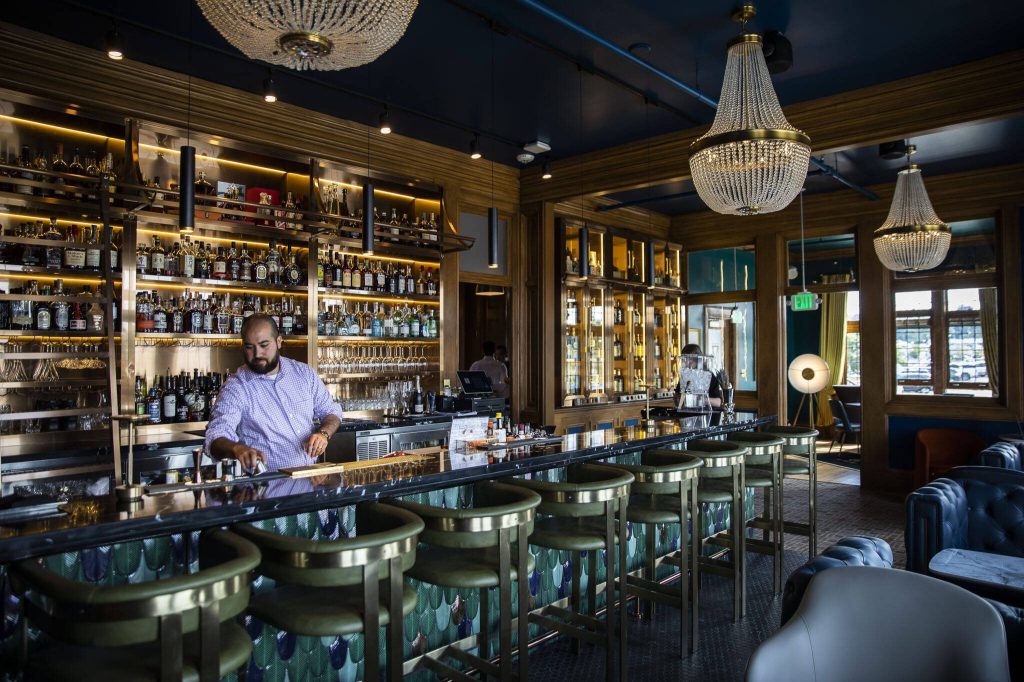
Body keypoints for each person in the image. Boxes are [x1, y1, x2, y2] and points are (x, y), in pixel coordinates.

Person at [205, 314, 342, 472]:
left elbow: (331, 411)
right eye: (249, 347)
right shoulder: (236, 387)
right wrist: (237, 449)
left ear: (279, 342)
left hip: (310, 477)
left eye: (264, 345)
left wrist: (324, 434)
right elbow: (216, 435)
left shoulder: (304, 373)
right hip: (267, 482)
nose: (257, 354)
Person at [676, 343, 723, 408]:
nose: (687, 362)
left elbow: (718, 402)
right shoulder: (685, 376)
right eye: (684, 359)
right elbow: (678, 398)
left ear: (698, 359)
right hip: (687, 413)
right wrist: (678, 399)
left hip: (706, 413)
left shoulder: (708, 376)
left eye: (690, 359)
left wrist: (701, 399)